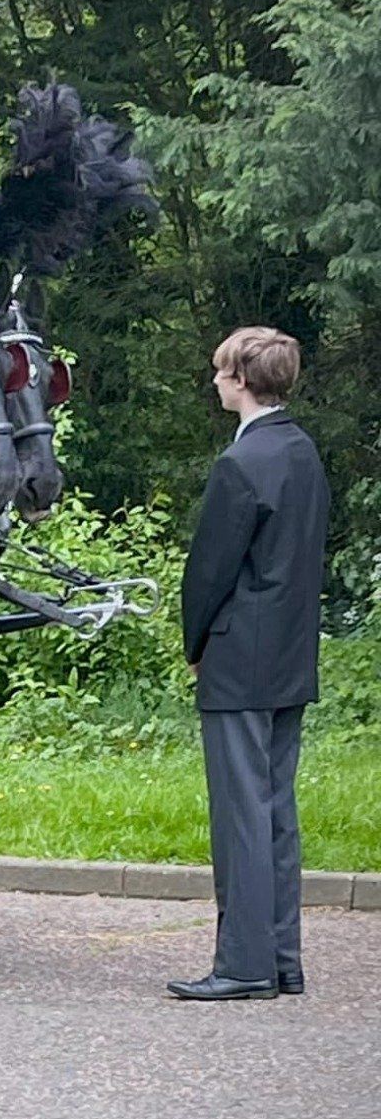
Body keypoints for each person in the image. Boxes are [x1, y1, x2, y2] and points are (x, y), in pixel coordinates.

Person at [169, 325, 330, 1002]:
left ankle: (243, 966)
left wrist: (196, 643)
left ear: (241, 379)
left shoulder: (240, 464)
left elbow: (209, 571)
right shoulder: (302, 453)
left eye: (219, 372)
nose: (213, 381)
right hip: (291, 651)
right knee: (274, 811)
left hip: (239, 654)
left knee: (241, 816)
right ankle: (281, 959)